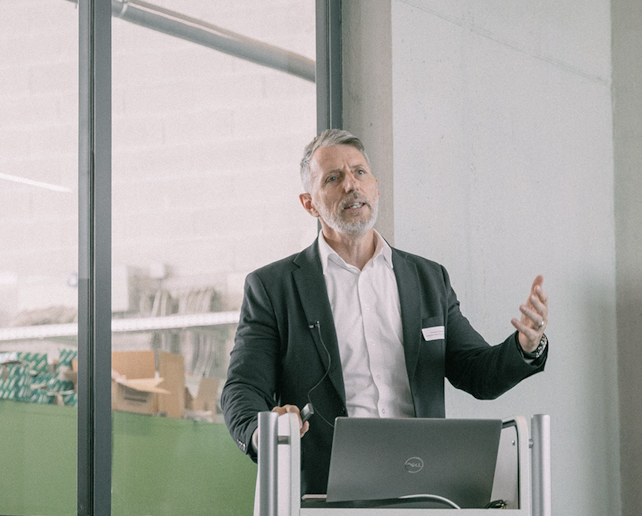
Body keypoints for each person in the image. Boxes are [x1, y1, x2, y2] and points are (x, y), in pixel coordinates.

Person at [220, 129, 549, 494]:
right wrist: (261, 433)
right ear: (309, 204)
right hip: (324, 496)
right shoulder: (274, 287)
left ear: (376, 187)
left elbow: (476, 373)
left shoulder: (426, 279)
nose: (351, 185)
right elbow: (243, 388)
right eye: (333, 178)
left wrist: (525, 346)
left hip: (425, 487)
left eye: (359, 173)